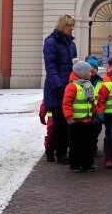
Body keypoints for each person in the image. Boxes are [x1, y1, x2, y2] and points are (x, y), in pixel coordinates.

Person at [43, 15, 77, 164]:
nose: (71, 28)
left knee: (67, 122)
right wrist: (58, 87)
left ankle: (54, 149)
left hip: (69, 87)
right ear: (62, 25)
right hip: (56, 88)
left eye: (73, 26)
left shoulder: (71, 44)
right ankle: (59, 153)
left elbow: (73, 66)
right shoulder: (50, 42)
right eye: (69, 25)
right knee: (58, 123)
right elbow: (50, 67)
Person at [62, 58, 96, 173]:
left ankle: (87, 164)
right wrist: (69, 117)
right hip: (76, 122)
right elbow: (67, 103)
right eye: (89, 72)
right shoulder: (72, 87)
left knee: (88, 144)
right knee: (75, 144)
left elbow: (91, 102)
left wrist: (94, 114)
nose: (91, 73)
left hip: (88, 121)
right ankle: (75, 165)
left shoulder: (88, 85)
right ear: (82, 74)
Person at [84, 55, 103, 156]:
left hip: (97, 111)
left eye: (95, 67)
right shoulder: (82, 81)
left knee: (97, 127)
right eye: (90, 66)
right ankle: (89, 146)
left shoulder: (101, 82)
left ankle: (93, 144)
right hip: (85, 111)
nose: (93, 69)